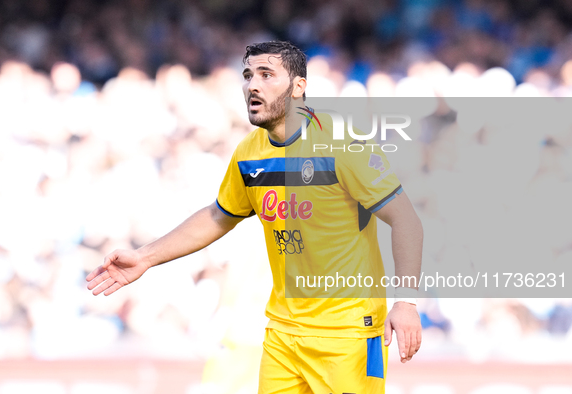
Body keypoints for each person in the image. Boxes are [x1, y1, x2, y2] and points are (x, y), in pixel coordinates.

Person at [86, 40, 423, 394]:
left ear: (298, 87)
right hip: (283, 333)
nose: (253, 85)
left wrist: (405, 302)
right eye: (247, 75)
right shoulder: (249, 153)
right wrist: (144, 257)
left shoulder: (342, 143)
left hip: (348, 334)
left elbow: (405, 221)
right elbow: (219, 215)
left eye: (266, 75)